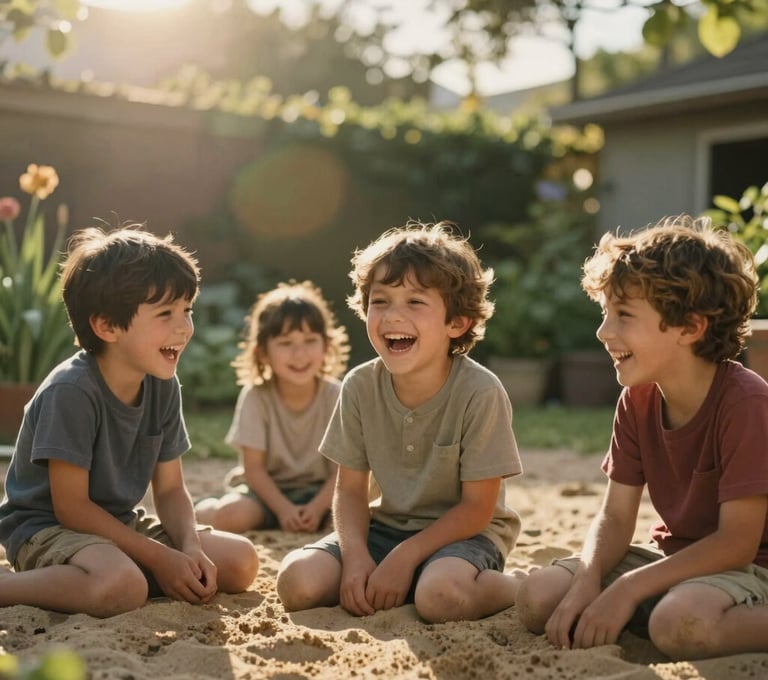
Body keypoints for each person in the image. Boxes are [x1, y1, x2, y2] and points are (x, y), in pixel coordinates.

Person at [515, 214, 768, 660]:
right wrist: (589, 579)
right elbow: (615, 517)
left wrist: (629, 589)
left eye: (624, 315)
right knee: (540, 596)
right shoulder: (638, 398)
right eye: (606, 313)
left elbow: (736, 544)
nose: (603, 331)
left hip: (748, 570)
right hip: (672, 562)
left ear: (690, 327)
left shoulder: (746, 402)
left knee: (678, 626)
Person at [0, 225, 259, 618]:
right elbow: (71, 509)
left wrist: (188, 548)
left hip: (119, 525)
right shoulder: (71, 391)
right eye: (165, 313)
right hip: (48, 529)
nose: (184, 327)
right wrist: (160, 558)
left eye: (187, 310)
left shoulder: (163, 384)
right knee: (122, 587)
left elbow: (171, 490)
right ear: (107, 326)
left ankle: (117, 574)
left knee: (240, 561)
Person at [275, 221, 524, 623]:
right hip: (384, 529)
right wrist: (356, 558)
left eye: (415, 302)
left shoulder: (481, 392)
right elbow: (350, 491)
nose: (393, 316)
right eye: (381, 301)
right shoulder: (358, 386)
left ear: (456, 323)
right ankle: (409, 576)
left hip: (464, 537)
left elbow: (478, 509)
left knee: (440, 598)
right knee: (297, 583)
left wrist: (405, 558)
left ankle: (517, 585)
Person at [194, 280, 350, 533]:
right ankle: (201, 508)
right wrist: (283, 509)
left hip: (323, 493)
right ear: (263, 352)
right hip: (265, 494)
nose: (299, 354)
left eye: (310, 340)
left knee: (352, 522)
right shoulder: (257, 397)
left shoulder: (338, 394)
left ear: (326, 347)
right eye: (286, 343)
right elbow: (253, 469)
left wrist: (318, 508)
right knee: (232, 516)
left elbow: (342, 471)